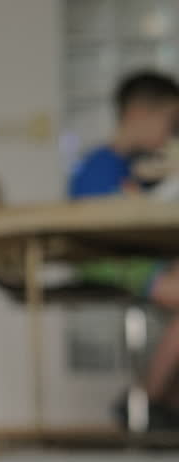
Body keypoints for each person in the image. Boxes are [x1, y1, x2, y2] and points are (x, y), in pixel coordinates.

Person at [68, 70, 179, 429]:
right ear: (138, 114)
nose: (171, 132)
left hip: (139, 261)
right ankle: (147, 399)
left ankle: (157, 399)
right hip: (106, 262)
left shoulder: (141, 170)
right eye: (170, 121)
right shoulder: (98, 166)